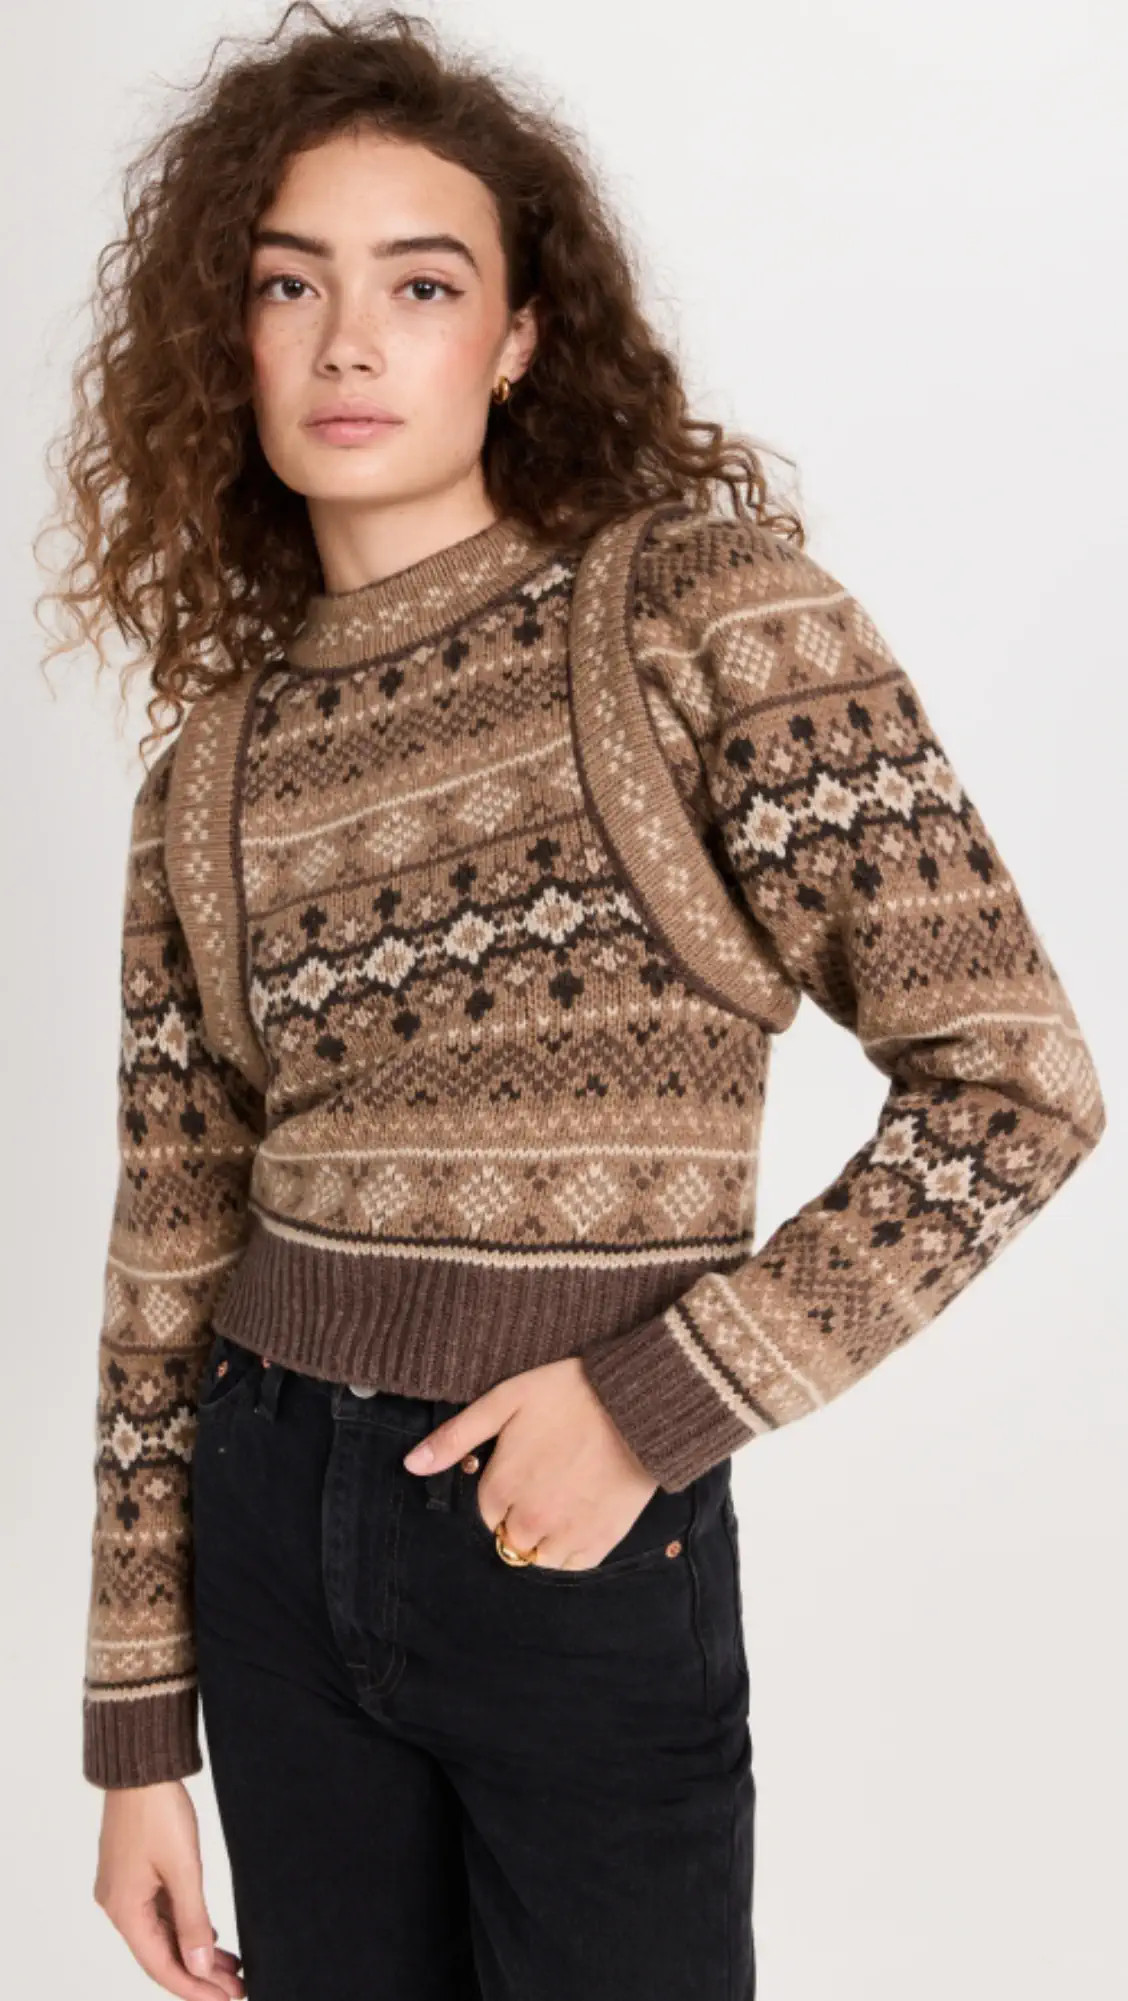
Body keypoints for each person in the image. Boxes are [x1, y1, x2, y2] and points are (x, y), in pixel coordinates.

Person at [36, 8, 1105, 1999]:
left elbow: (1014, 1085)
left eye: (423, 284)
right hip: (267, 1536)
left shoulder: (696, 617)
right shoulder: (209, 770)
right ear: (228, 338)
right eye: (290, 284)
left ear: (520, 337)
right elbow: (168, 1246)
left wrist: (655, 1405)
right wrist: (134, 1738)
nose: (351, 343)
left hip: (574, 1535)